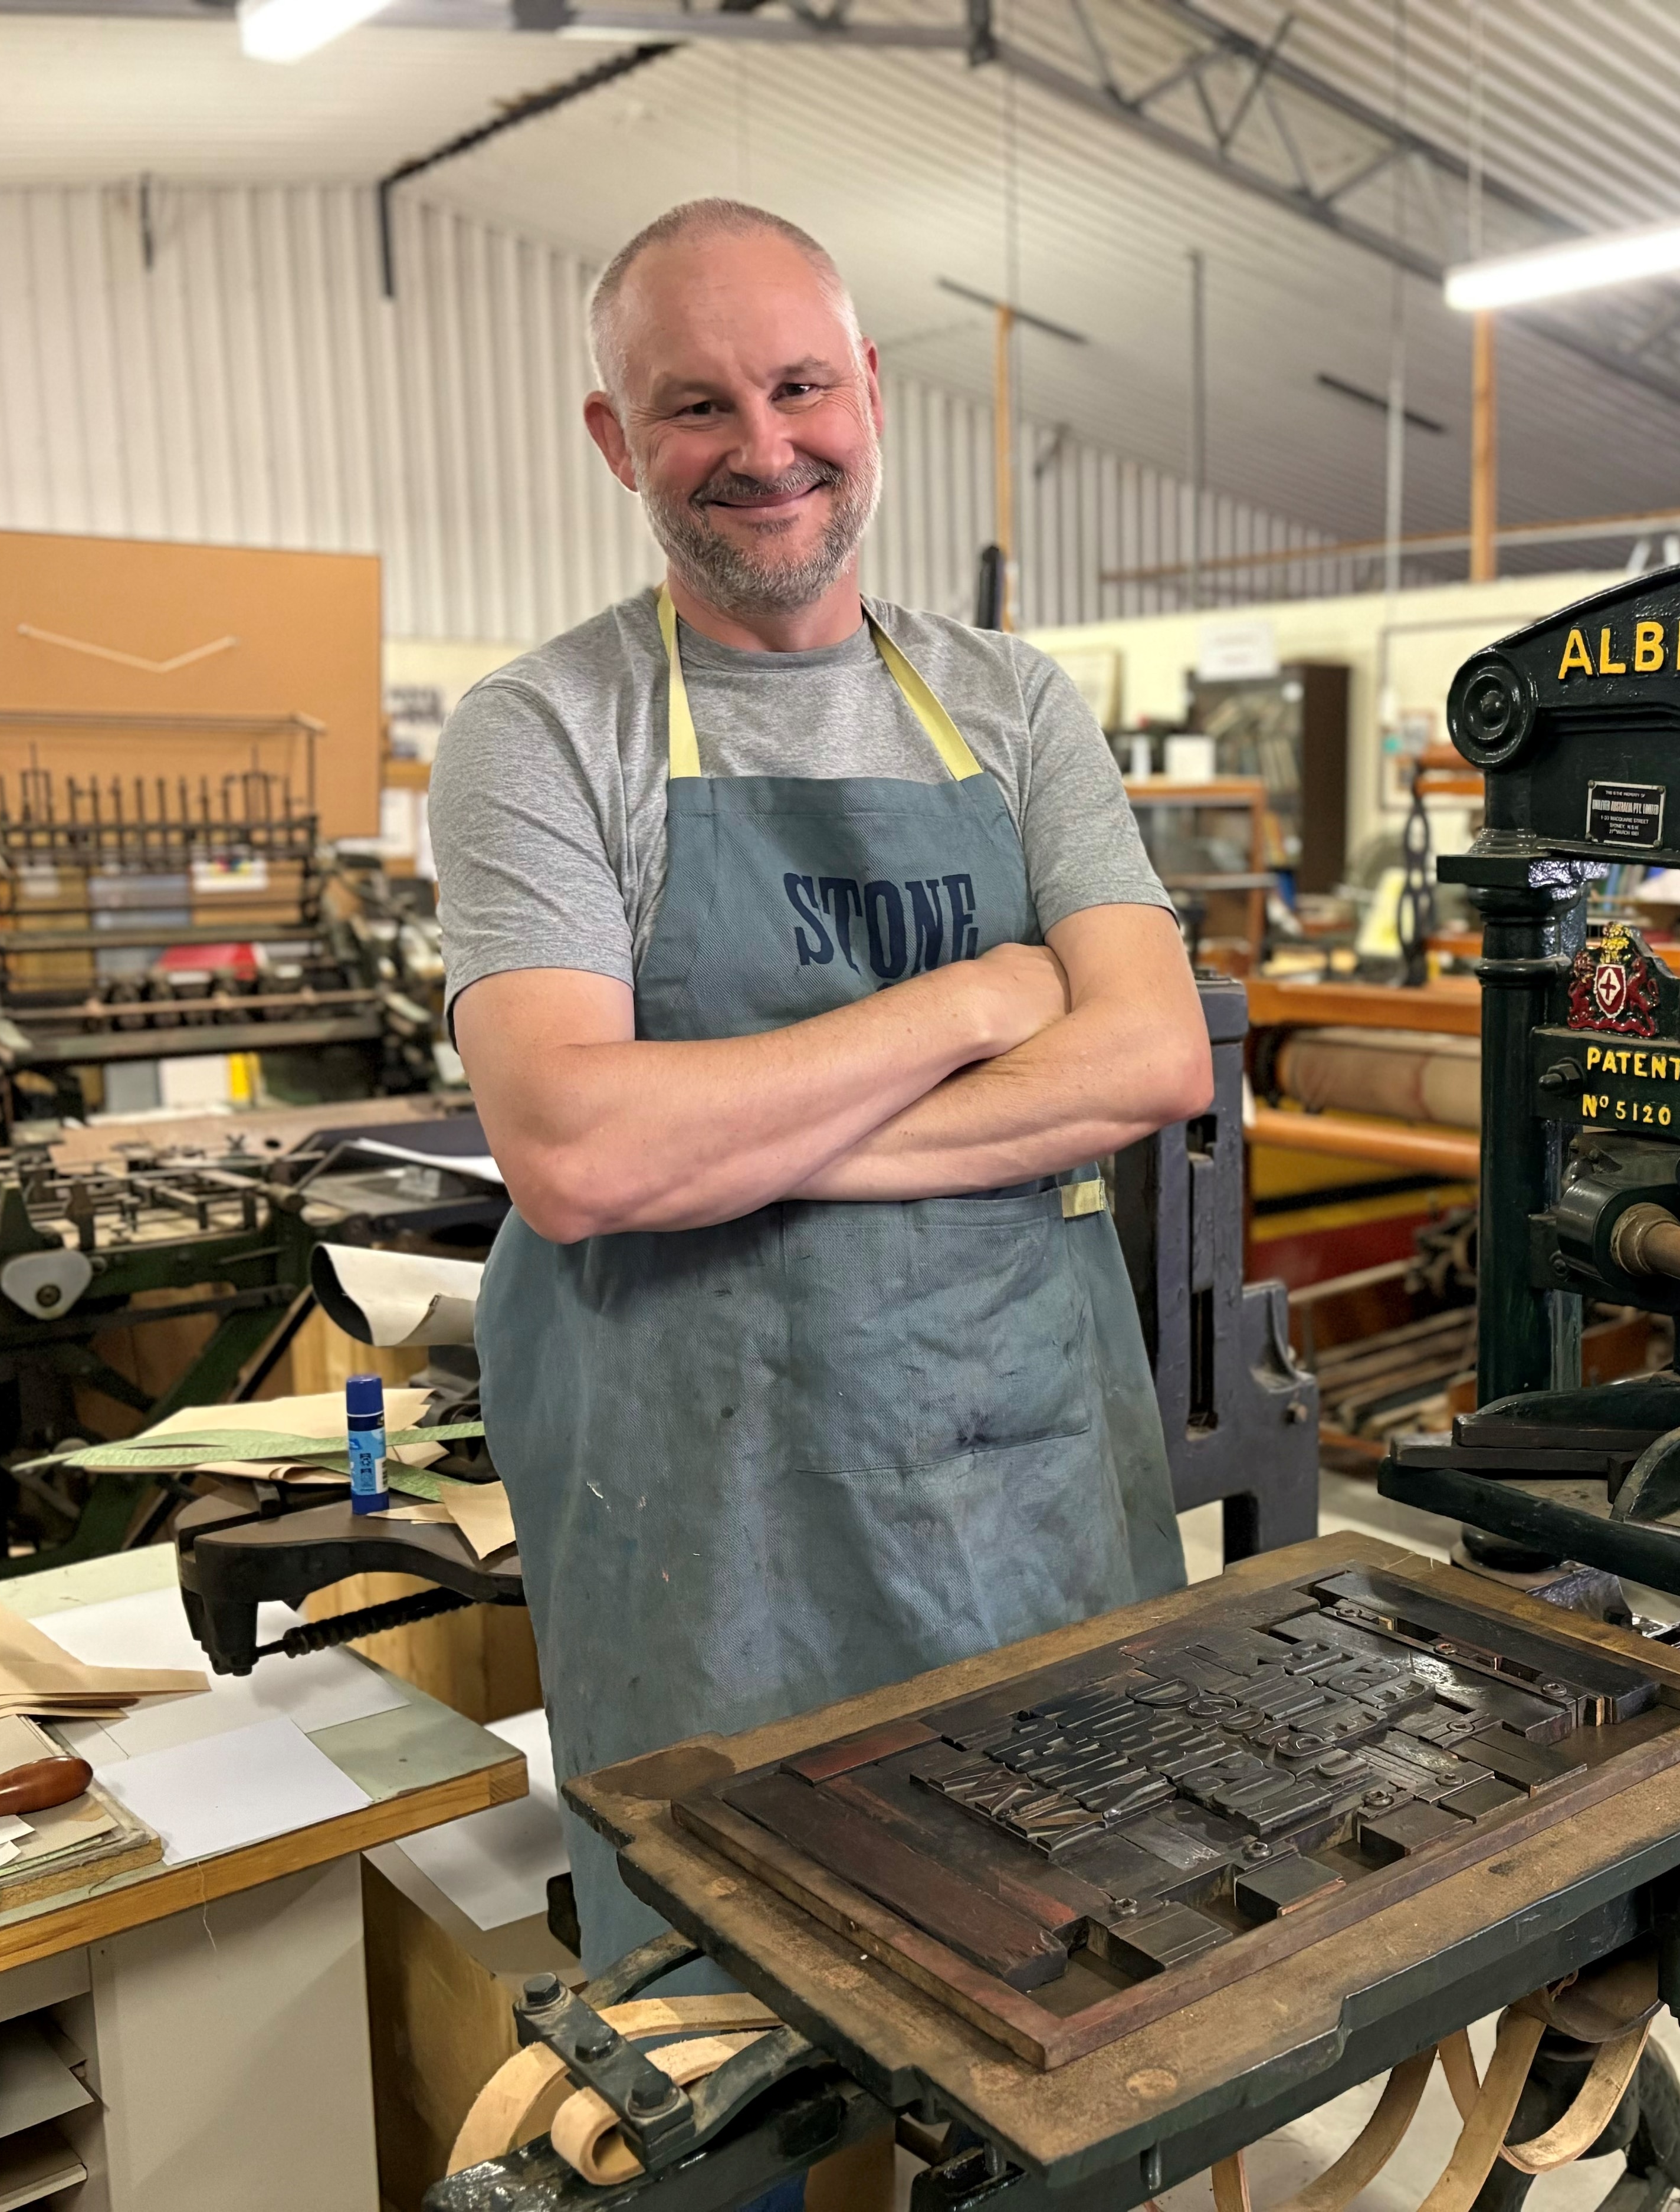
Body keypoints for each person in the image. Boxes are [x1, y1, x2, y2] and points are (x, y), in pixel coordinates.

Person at [429, 199, 1206, 1971]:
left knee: (1077, 1984)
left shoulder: (1013, 705)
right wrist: (980, 1000)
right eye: (695, 406)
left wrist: (737, 1142)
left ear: (870, 388)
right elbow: (573, 1153)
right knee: (742, 2019)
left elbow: (1150, 1055)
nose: (764, 448)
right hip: (714, 1538)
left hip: (1025, 1492)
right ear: (616, 440)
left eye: (798, 386)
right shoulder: (544, 733)